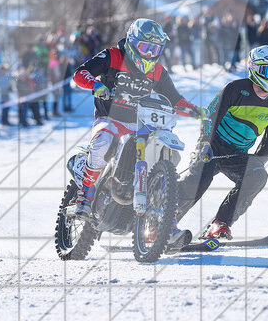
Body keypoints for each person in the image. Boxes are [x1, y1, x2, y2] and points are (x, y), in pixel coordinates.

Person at [70, 18, 202, 218]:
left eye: (155, 49)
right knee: (103, 141)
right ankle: (86, 195)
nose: (149, 54)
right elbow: (80, 73)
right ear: (132, 42)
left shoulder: (157, 71)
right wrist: (96, 85)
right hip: (110, 119)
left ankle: (163, 216)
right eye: (145, 47)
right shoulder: (113, 56)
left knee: (160, 150)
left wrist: (194, 110)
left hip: (140, 124)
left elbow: (175, 99)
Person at [177, 46, 268, 241]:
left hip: (237, 154)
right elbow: (211, 116)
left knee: (258, 176)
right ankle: (164, 221)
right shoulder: (235, 89)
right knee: (201, 179)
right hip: (213, 146)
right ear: (255, 69)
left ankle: (220, 223)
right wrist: (205, 144)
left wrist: (258, 161)